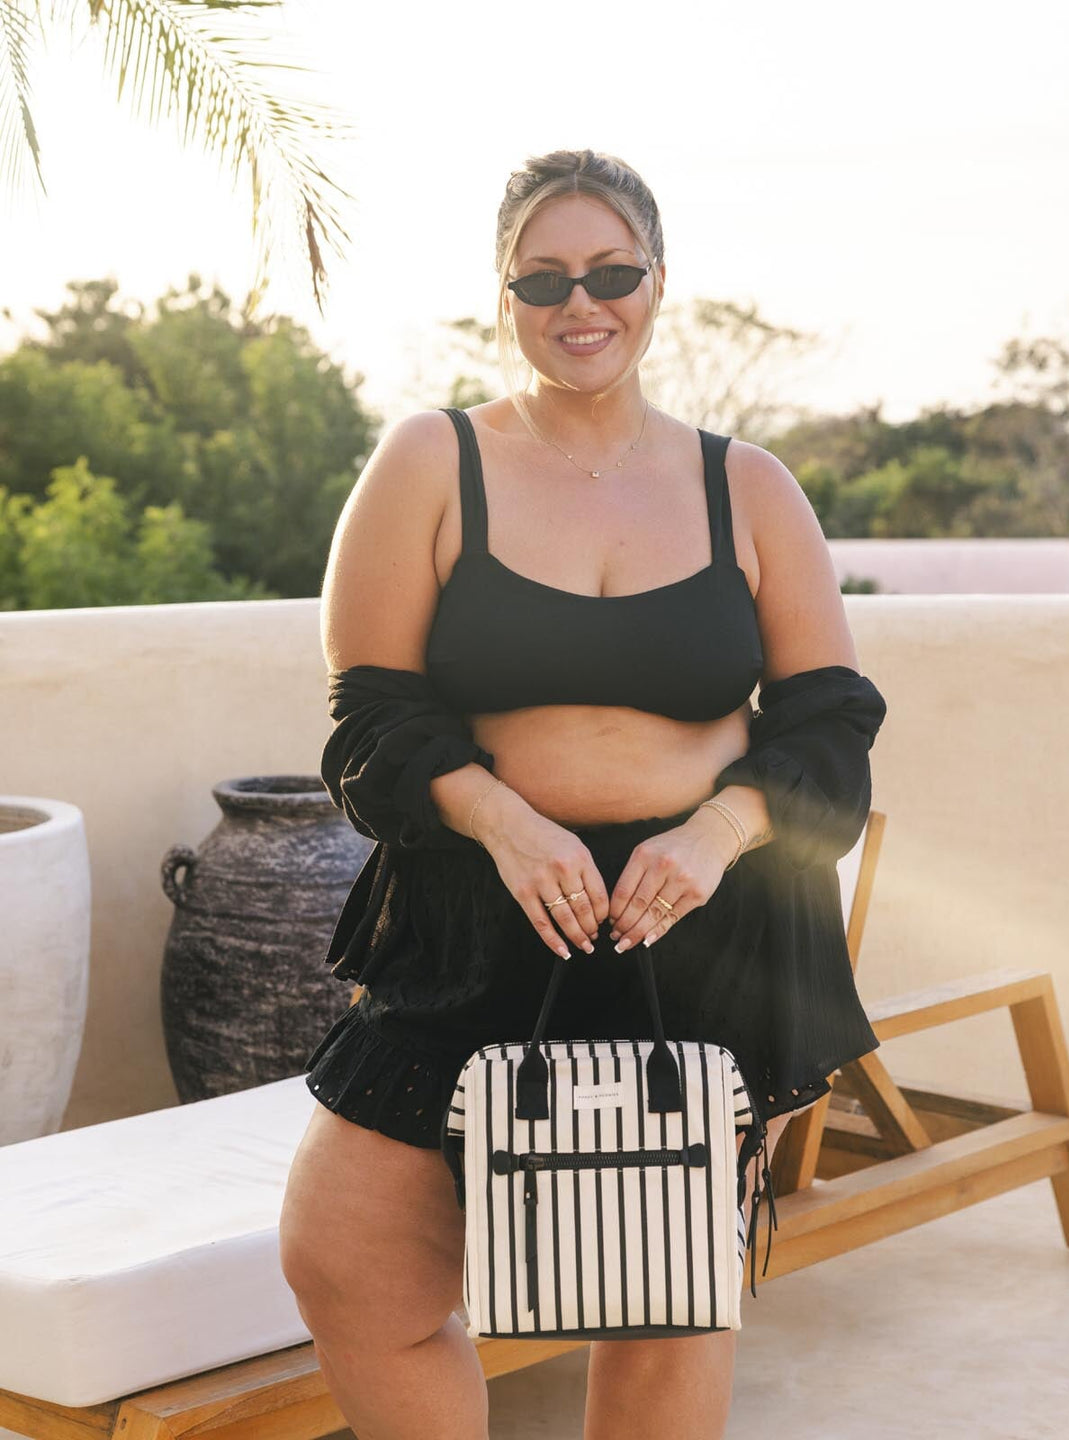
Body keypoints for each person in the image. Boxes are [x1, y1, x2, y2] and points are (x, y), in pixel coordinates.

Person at [279, 148, 887, 1439]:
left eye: (611, 271)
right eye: (544, 277)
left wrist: (720, 834)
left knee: (661, 1299)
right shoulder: (430, 463)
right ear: (503, 293)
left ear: (657, 284)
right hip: (476, 910)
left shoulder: (750, 489)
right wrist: (503, 821)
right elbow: (370, 716)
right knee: (346, 1259)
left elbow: (832, 726)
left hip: (694, 937)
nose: (580, 302)